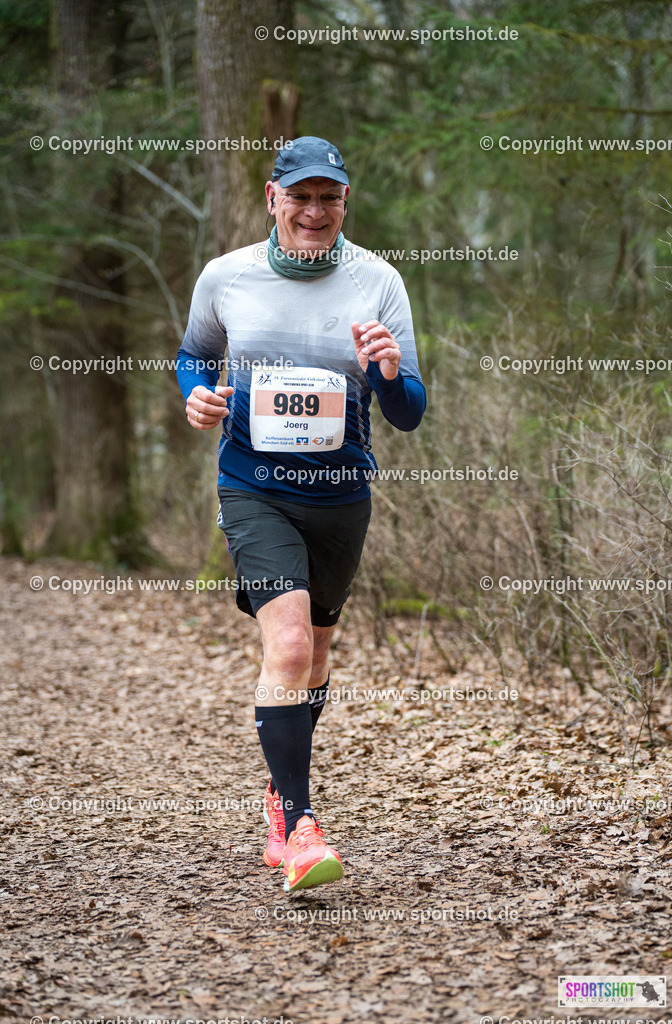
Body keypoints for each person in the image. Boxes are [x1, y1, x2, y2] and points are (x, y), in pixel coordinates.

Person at [176, 136, 426, 892]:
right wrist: (196, 393)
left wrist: (386, 370)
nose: (314, 211)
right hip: (252, 485)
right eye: (301, 196)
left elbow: (408, 411)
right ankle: (296, 822)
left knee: (314, 655)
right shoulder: (227, 277)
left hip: (341, 494)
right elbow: (193, 355)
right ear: (271, 197)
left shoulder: (377, 281)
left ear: (345, 201)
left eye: (329, 197)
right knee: (285, 647)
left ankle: (280, 792)